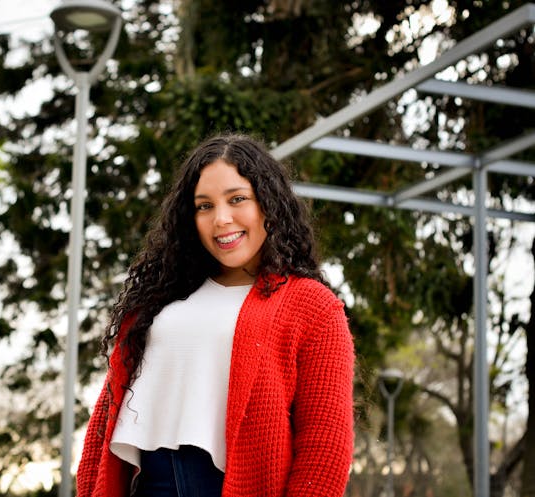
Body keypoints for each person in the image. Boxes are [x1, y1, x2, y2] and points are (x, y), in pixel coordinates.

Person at [77, 133, 354, 497]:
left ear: (268, 204)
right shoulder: (162, 295)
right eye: (204, 206)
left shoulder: (312, 306)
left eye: (237, 199)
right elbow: (108, 415)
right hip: (147, 481)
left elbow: (325, 448)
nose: (221, 219)